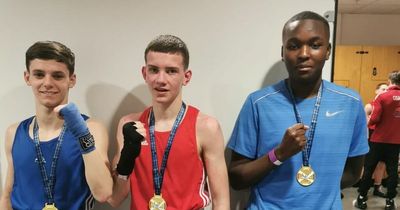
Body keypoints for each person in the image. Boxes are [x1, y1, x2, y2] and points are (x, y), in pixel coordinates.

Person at [227, 11, 369, 209]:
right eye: (293, 46)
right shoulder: (258, 103)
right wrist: (278, 154)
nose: (303, 54)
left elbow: (354, 173)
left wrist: (317, 191)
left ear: (328, 51)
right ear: (283, 52)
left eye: (315, 45)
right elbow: (236, 178)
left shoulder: (351, 103)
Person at [107, 35, 230, 210]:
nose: (161, 80)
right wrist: (127, 157)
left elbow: (221, 201)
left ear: (186, 77)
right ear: (145, 73)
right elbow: (115, 198)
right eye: (154, 70)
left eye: (171, 71)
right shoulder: (129, 124)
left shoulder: (205, 127)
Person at [0, 41, 113, 210]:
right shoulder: (14, 132)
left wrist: (82, 134)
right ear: (27, 77)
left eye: (57, 76)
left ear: (71, 80)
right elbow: (8, 195)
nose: (47, 83)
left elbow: (103, 193)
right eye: (39, 74)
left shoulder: (91, 128)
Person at [354, 71, 400, 210]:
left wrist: (368, 122)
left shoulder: (383, 96)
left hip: (378, 140)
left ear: (389, 81)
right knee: (392, 172)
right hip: (396, 141)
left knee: (369, 169)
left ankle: (362, 199)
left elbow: (374, 118)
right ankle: (390, 202)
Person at [365, 82, 388, 198]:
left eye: (387, 90)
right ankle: (363, 187)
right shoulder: (370, 106)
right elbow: (363, 125)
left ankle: (377, 187)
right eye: (383, 89)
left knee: (382, 163)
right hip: (371, 135)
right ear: (376, 91)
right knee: (369, 163)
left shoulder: (389, 106)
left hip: (384, 137)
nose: (385, 91)